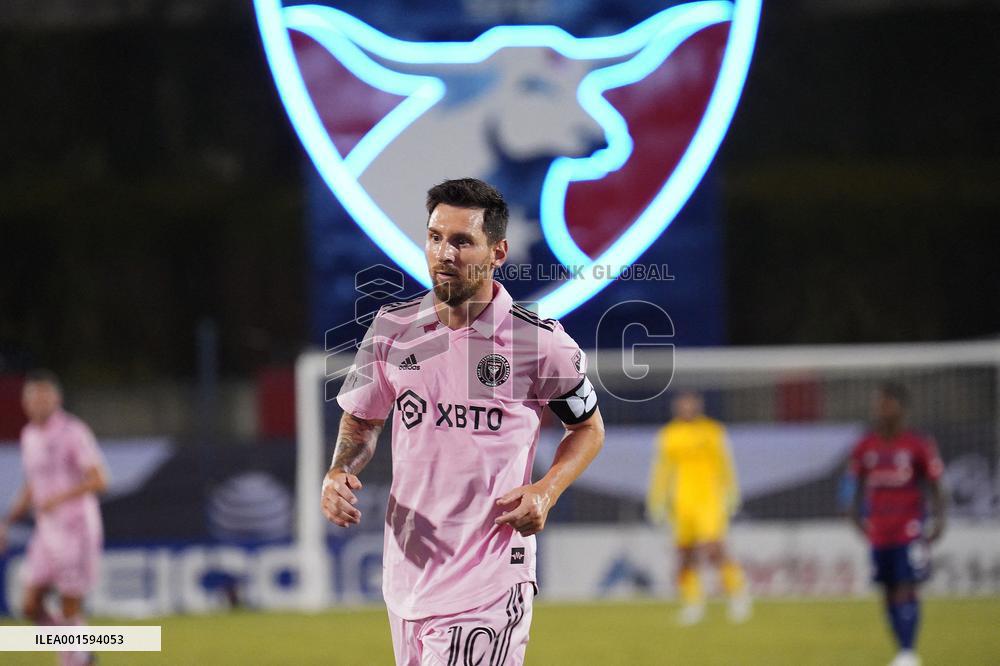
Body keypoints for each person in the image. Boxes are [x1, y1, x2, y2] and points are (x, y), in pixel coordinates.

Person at [322, 177, 604, 665]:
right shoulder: (392, 330)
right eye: (434, 237)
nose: (443, 253)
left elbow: (588, 429)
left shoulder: (538, 343)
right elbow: (362, 421)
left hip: (488, 579)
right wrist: (338, 471)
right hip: (408, 574)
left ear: (498, 252)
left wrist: (546, 489)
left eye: (461, 241)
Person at [0, 370, 108, 666]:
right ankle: (80, 650)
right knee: (29, 604)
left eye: (45, 396)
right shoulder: (29, 435)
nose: (39, 403)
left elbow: (99, 479)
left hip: (76, 528)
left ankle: (73, 658)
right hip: (46, 531)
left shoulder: (73, 432)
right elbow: (34, 482)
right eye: (33, 397)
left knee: (69, 601)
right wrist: (7, 521)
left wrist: (59, 498)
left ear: (57, 399)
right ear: (24, 402)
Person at [847, 383, 946, 666]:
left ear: (900, 407)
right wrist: (853, 515)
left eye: (884, 403)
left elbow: (936, 483)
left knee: (906, 585)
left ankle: (907, 651)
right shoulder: (865, 445)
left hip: (909, 527)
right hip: (879, 529)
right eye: (877, 403)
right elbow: (854, 483)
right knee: (888, 588)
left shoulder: (917, 444)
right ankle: (903, 650)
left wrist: (940, 519)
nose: (879, 409)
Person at [646, 390, 750, 625]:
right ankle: (693, 602)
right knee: (685, 554)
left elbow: (725, 464)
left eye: (690, 404)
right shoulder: (669, 435)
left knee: (714, 549)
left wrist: (732, 494)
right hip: (682, 503)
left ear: (698, 406)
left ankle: (738, 594)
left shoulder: (712, 431)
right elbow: (662, 471)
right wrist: (657, 501)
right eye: (682, 404)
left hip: (709, 500)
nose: (686, 408)